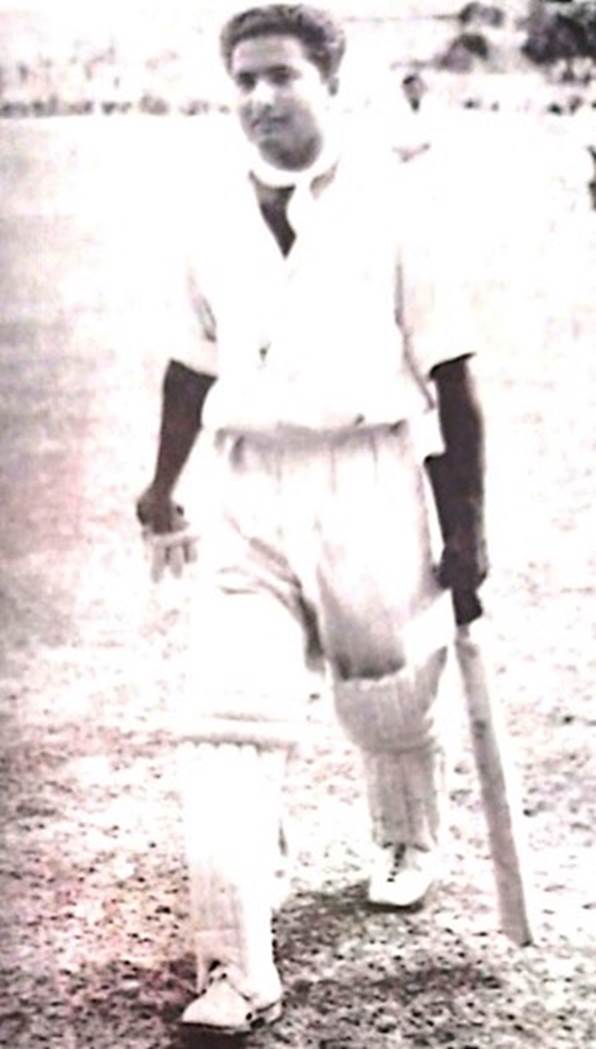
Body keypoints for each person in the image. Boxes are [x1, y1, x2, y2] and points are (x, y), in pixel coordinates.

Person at [137, 3, 488, 1035]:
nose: (258, 98)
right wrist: (162, 486)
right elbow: (185, 368)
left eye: (280, 76)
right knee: (227, 723)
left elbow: (454, 373)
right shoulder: (206, 214)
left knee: (383, 693)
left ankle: (406, 836)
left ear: (329, 80)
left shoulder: (396, 204)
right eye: (242, 79)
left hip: (370, 473)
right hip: (246, 485)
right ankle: (235, 968)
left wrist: (464, 525)